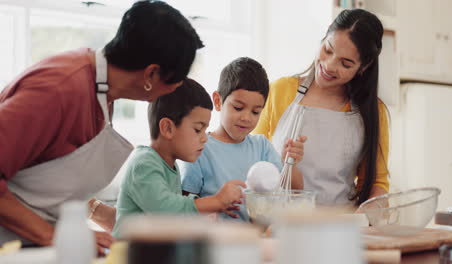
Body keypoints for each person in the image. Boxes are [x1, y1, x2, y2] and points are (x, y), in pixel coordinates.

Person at [0, 0, 203, 252]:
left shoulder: (103, 93)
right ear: (151, 74)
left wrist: (104, 220)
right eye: (178, 79)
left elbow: (49, 184)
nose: (178, 87)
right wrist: (54, 236)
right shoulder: (58, 88)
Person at [253, 9, 389, 207]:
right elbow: (253, 160)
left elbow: (377, 183)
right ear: (323, 38)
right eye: (328, 49)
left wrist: (365, 218)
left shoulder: (373, 111)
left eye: (346, 63)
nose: (329, 66)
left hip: (341, 225)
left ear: (364, 67)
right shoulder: (280, 91)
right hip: (281, 221)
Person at [112, 79, 245, 237]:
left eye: (205, 130)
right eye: (197, 129)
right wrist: (215, 201)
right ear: (168, 128)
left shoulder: (170, 166)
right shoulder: (144, 163)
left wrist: (212, 207)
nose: (204, 138)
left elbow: (175, 207)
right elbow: (164, 209)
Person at [181, 57, 306, 221]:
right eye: (238, 108)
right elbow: (186, 205)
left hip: (257, 238)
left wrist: (291, 163)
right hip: (217, 240)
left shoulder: (262, 146)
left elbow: (291, 191)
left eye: (255, 112)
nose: (247, 118)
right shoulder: (199, 148)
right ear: (218, 101)